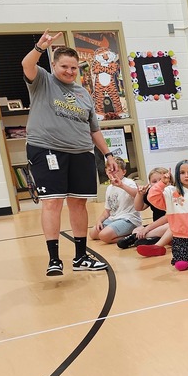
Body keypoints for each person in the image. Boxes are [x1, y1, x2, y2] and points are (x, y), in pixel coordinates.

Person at [22, 29, 114, 276]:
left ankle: (81, 257)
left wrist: (108, 155)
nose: (69, 72)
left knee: (78, 204)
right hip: (47, 150)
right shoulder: (42, 80)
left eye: (74, 68)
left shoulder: (83, 94)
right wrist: (40, 47)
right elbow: (27, 64)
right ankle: (54, 259)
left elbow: (93, 129)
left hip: (81, 153)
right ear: (54, 65)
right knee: (52, 202)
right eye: (64, 66)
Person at [143, 160, 188, 271]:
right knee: (180, 266)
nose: (186, 176)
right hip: (181, 239)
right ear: (177, 175)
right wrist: (162, 183)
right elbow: (152, 197)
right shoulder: (170, 191)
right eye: (182, 173)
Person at [87, 157, 141, 244]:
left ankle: (133, 236)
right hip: (114, 219)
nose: (113, 173)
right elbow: (107, 211)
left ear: (124, 172)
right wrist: (99, 221)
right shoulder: (109, 188)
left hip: (128, 219)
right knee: (93, 233)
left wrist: (121, 185)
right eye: (110, 171)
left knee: (103, 236)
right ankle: (119, 234)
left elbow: (137, 194)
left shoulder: (128, 182)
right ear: (106, 171)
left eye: (116, 170)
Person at [117, 167, 171, 249]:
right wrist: (139, 194)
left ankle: (140, 237)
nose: (157, 184)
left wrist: (147, 230)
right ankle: (151, 238)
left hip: (167, 225)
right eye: (154, 181)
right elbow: (139, 207)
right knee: (137, 229)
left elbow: (167, 218)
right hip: (156, 225)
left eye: (160, 180)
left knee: (168, 227)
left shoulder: (171, 193)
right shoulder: (152, 194)